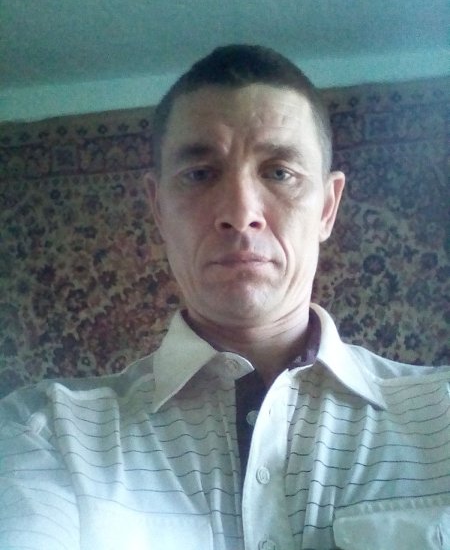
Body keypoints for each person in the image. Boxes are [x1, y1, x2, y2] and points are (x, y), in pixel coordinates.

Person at [0, 45, 449, 550]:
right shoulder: (46, 432)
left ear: (327, 207)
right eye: (199, 174)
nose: (240, 213)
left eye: (279, 172)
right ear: (158, 208)